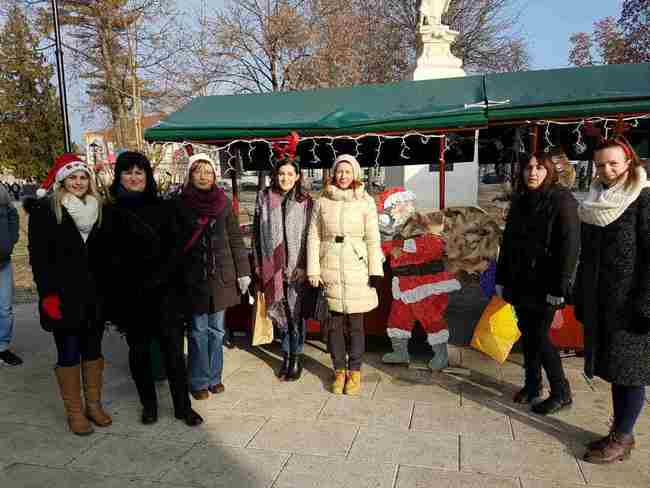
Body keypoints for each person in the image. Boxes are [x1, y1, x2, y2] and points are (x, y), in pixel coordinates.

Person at [98, 151, 202, 427]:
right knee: (140, 353)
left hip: (165, 292)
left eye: (139, 172)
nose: (134, 177)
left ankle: (183, 407)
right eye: (128, 172)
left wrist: (168, 280)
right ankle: (149, 405)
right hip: (132, 296)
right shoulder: (110, 213)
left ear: (147, 176)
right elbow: (106, 259)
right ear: (119, 177)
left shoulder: (165, 208)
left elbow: (178, 250)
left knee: (173, 353)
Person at [575, 137, 650, 464]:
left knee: (630, 373)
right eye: (600, 165)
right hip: (603, 301)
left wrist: (645, 306)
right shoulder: (595, 201)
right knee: (616, 371)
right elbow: (587, 256)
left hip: (632, 305)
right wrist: (581, 295)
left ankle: (622, 437)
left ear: (629, 162)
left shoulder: (642, 198)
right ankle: (620, 431)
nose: (606, 170)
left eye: (613, 163)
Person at [25, 153, 111, 435]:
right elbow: (39, 258)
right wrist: (47, 295)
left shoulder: (98, 208)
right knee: (69, 352)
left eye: (83, 177)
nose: (78, 182)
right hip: (62, 296)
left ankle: (94, 405)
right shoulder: (46, 210)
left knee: (93, 351)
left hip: (94, 296)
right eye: (72, 177)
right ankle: (75, 412)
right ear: (62, 180)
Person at [496, 151, 580, 415]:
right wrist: (501, 278)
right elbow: (508, 243)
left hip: (546, 284)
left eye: (539, 168)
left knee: (540, 336)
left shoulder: (562, 200)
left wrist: (560, 287)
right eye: (528, 168)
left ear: (549, 171)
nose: (532, 173)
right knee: (528, 333)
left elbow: (569, 246)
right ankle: (532, 385)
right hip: (520, 280)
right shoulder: (521, 199)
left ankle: (561, 392)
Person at [307, 154, 383, 395]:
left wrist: (375, 269)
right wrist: (313, 269)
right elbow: (313, 237)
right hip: (329, 265)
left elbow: (373, 238)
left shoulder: (365, 201)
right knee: (334, 325)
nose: (343, 176)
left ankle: (355, 371)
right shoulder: (322, 200)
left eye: (348, 171)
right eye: (339, 171)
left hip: (356, 267)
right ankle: (339, 370)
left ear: (355, 174)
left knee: (357, 324)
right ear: (333, 173)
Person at [176, 153, 251, 399]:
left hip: (221, 278)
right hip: (193, 279)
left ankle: (214, 377)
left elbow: (235, 239)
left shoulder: (223, 203)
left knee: (217, 330)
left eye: (208, 171)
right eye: (198, 171)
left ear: (214, 176)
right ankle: (198, 380)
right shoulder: (180, 203)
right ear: (190, 175)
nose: (203, 176)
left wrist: (243, 272)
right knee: (198, 331)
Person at [253, 156, 312, 381]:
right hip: (273, 266)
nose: (285, 178)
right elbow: (257, 234)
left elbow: (310, 235)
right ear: (275, 175)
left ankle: (296, 357)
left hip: (296, 267)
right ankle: (286, 356)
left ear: (297, 177)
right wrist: (259, 265)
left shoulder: (305, 201)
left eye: (289, 174)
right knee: (281, 313)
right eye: (281, 174)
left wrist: (304, 265)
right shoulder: (264, 198)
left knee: (296, 314)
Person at [0, 182, 22, 366]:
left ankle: (2, 347)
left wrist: (11, 239)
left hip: (3, 262)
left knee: (5, 309)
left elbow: (12, 213)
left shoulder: (1, 193)